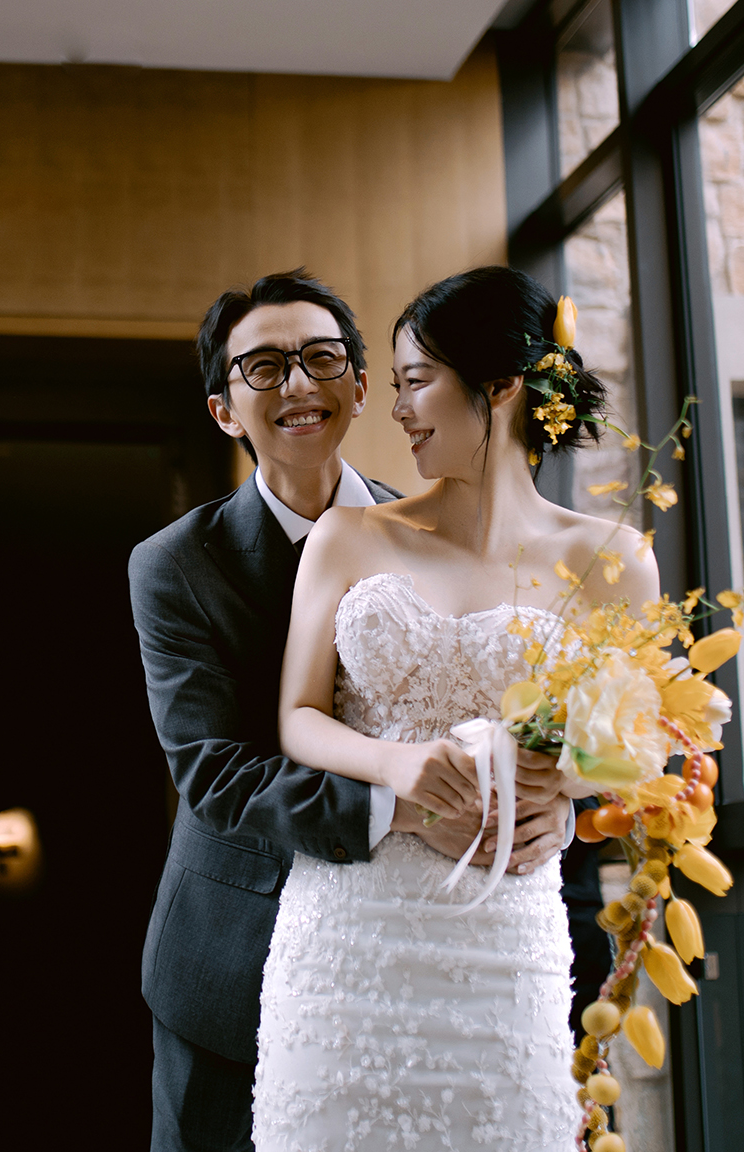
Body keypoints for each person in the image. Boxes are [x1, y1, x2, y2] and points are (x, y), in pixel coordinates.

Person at [130, 269, 570, 1152]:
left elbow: (525, 694)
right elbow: (214, 772)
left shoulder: (443, 526)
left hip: (441, 948)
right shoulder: (174, 564)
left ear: (363, 387)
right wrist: (406, 804)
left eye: (322, 358)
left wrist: (552, 798)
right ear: (224, 411)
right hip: (230, 957)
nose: (298, 384)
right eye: (263, 368)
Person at [261, 266, 656, 1150]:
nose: (397, 410)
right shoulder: (350, 535)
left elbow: (637, 750)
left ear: (503, 385)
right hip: (348, 933)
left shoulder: (613, 560)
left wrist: (563, 792)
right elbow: (297, 718)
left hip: (505, 932)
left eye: (416, 382)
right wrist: (397, 765)